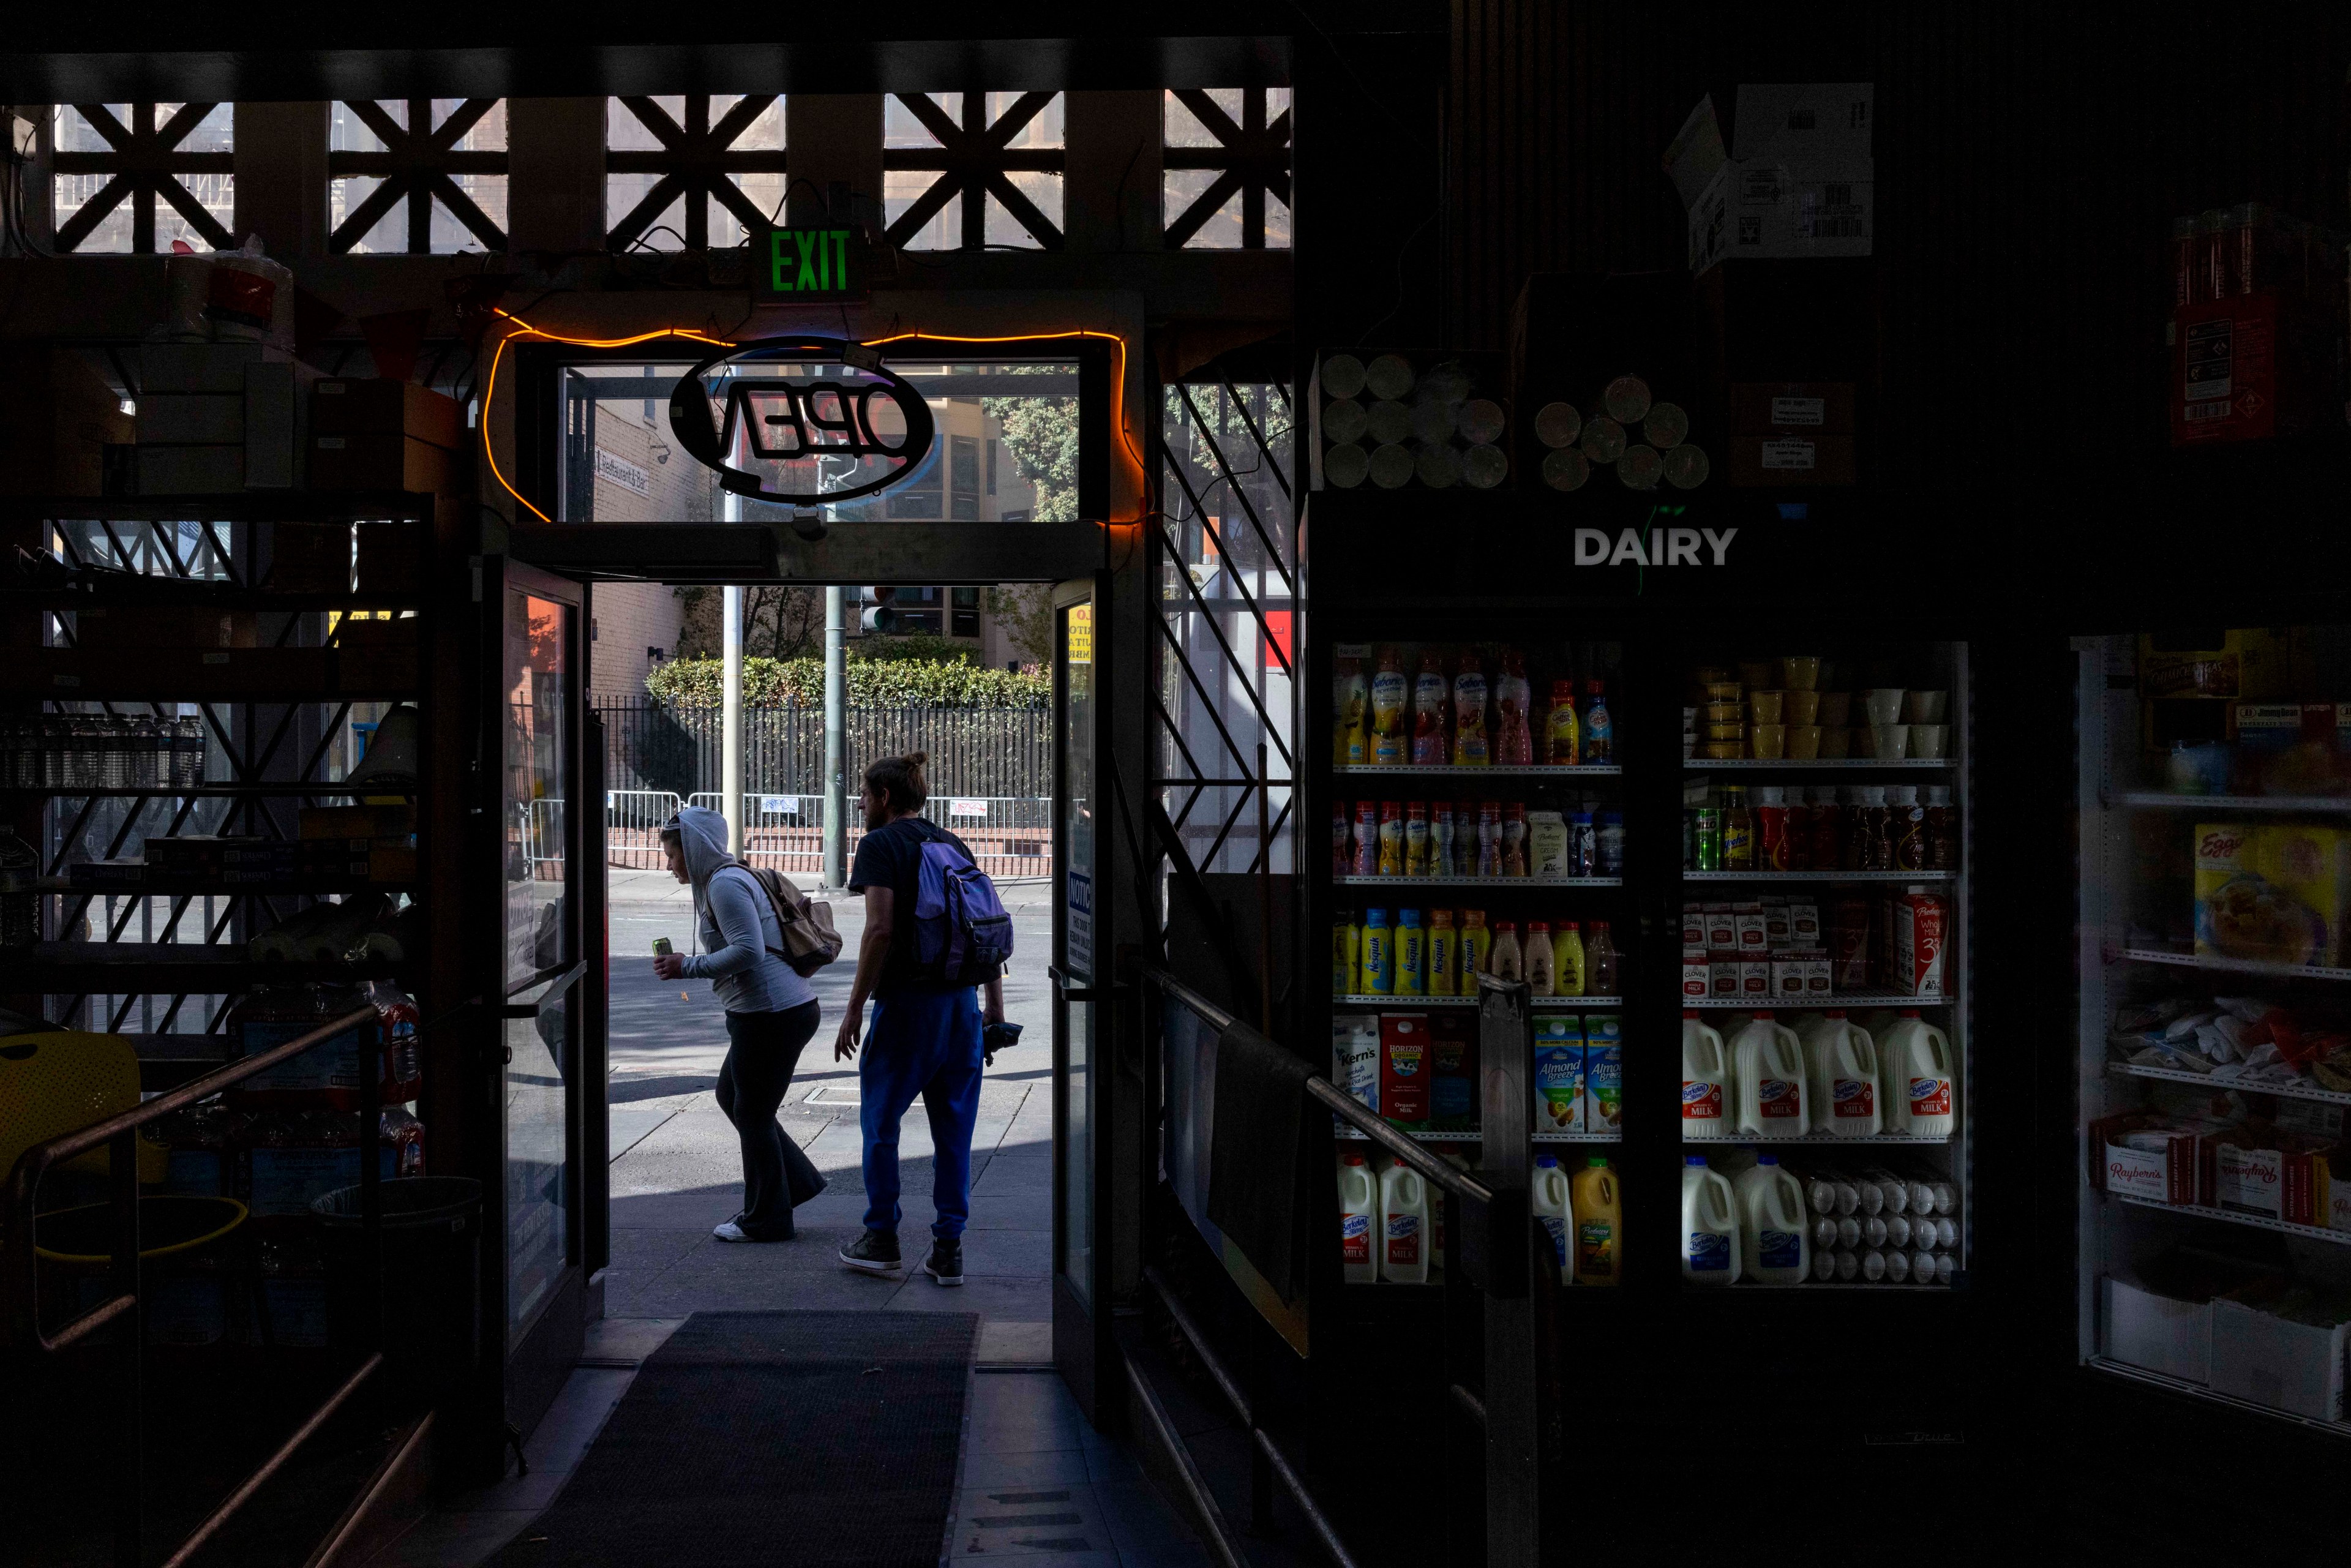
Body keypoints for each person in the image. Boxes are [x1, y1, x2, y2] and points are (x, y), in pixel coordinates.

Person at [833, 752, 1007, 1285]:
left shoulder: (880, 845)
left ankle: (881, 1237)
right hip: (961, 1009)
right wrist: (993, 1011)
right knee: (955, 1132)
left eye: (864, 795)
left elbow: (879, 930)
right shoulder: (950, 843)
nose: (860, 804)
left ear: (885, 797)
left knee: (881, 1124)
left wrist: (855, 1003)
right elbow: (983, 927)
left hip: (908, 1009)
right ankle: (948, 1249)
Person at [654, 807, 826, 1242]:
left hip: (771, 1014)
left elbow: (749, 951)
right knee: (733, 1095)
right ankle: (796, 1184)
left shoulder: (725, 884)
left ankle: (766, 1217)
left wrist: (686, 966)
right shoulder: (721, 880)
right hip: (774, 1011)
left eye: (674, 854)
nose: (669, 863)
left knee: (752, 1110)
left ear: (693, 850)